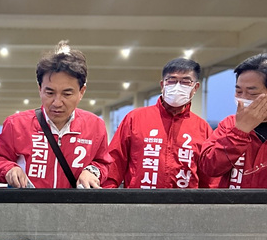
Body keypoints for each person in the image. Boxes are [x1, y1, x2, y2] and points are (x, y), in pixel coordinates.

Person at [0, 41, 112, 188]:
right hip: (28, 208)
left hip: (75, 209)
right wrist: (9, 169)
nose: (57, 102)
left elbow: (103, 163)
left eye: (67, 94)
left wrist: (92, 171)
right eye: (49, 93)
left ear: (81, 92)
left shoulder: (95, 126)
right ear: (40, 89)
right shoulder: (17, 124)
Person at [102, 58, 218, 189]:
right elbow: (114, 162)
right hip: (138, 204)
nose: (177, 86)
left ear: (195, 87)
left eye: (185, 82)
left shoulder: (203, 129)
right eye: (172, 81)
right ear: (163, 85)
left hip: (185, 206)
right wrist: (108, 200)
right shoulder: (135, 119)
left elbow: (210, 180)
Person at [199, 53, 267, 188]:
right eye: (238, 91)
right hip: (234, 207)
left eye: (252, 93)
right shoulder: (228, 125)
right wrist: (239, 132)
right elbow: (209, 167)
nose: (243, 97)